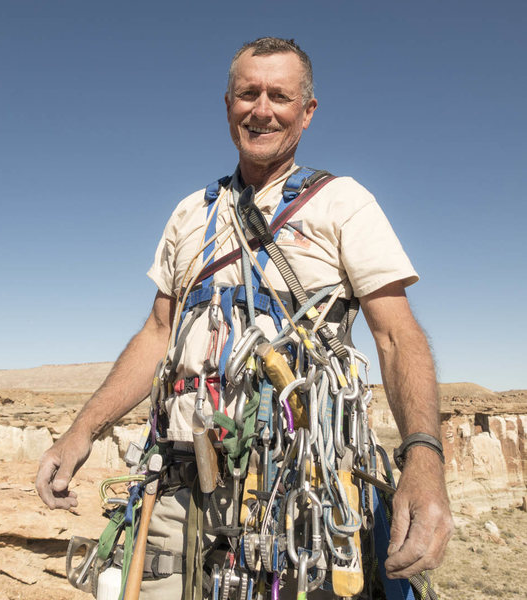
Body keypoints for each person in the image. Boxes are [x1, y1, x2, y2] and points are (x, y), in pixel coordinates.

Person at [36, 37, 453, 598]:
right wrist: (80, 432)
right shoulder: (191, 214)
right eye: (247, 93)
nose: (262, 109)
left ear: (306, 112)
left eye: (279, 95)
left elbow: (397, 336)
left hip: (301, 492)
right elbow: (157, 335)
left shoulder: (343, 203)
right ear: (227, 104)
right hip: (180, 483)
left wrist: (423, 460)